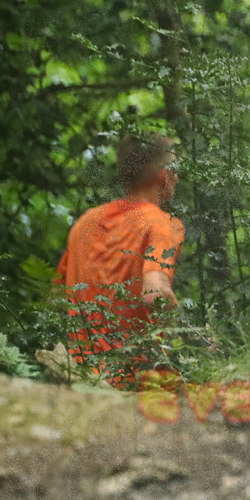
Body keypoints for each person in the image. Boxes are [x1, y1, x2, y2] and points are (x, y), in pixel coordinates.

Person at [55, 134, 184, 382]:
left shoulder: (86, 222)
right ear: (165, 175)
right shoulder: (161, 225)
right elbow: (155, 294)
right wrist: (193, 337)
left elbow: (58, 297)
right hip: (135, 382)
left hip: (80, 379)